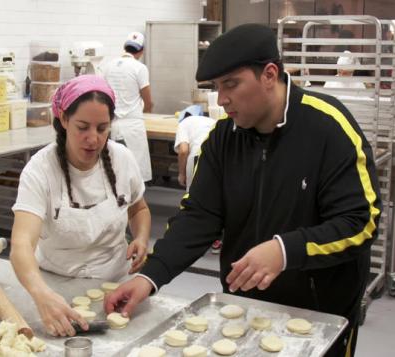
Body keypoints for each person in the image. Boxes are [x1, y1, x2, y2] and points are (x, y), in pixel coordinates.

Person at [105, 24, 381, 357]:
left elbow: (360, 222)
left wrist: (285, 250)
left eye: (231, 85)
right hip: (242, 306)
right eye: (217, 87)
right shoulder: (223, 139)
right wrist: (150, 276)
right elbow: (199, 217)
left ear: (269, 74)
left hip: (320, 311)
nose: (222, 99)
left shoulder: (328, 127)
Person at [10, 74, 151, 337]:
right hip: (54, 284)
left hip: (116, 284)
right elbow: (20, 245)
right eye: (82, 127)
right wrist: (41, 294)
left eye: (102, 128)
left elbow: (139, 208)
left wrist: (141, 238)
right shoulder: (40, 170)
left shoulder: (123, 159)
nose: (94, 139)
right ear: (63, 120)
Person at [102, 31, 153, 182]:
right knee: (135, 172)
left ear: (124, 47)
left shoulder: (108, 66)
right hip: (133, 126)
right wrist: (146, 109)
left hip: (112, 125)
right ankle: (135, 203)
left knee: (115, 169)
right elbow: (148, 101)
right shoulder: (140, 68)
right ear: (142, 51)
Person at [174, 104, 221, 254]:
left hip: (198, 157)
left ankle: (187, 239)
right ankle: (216, 241)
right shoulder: (210, 121)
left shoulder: (184, 123)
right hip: (219, 158)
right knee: (216, 200)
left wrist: (181, 173)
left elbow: (183, 151)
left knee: (193, 201)